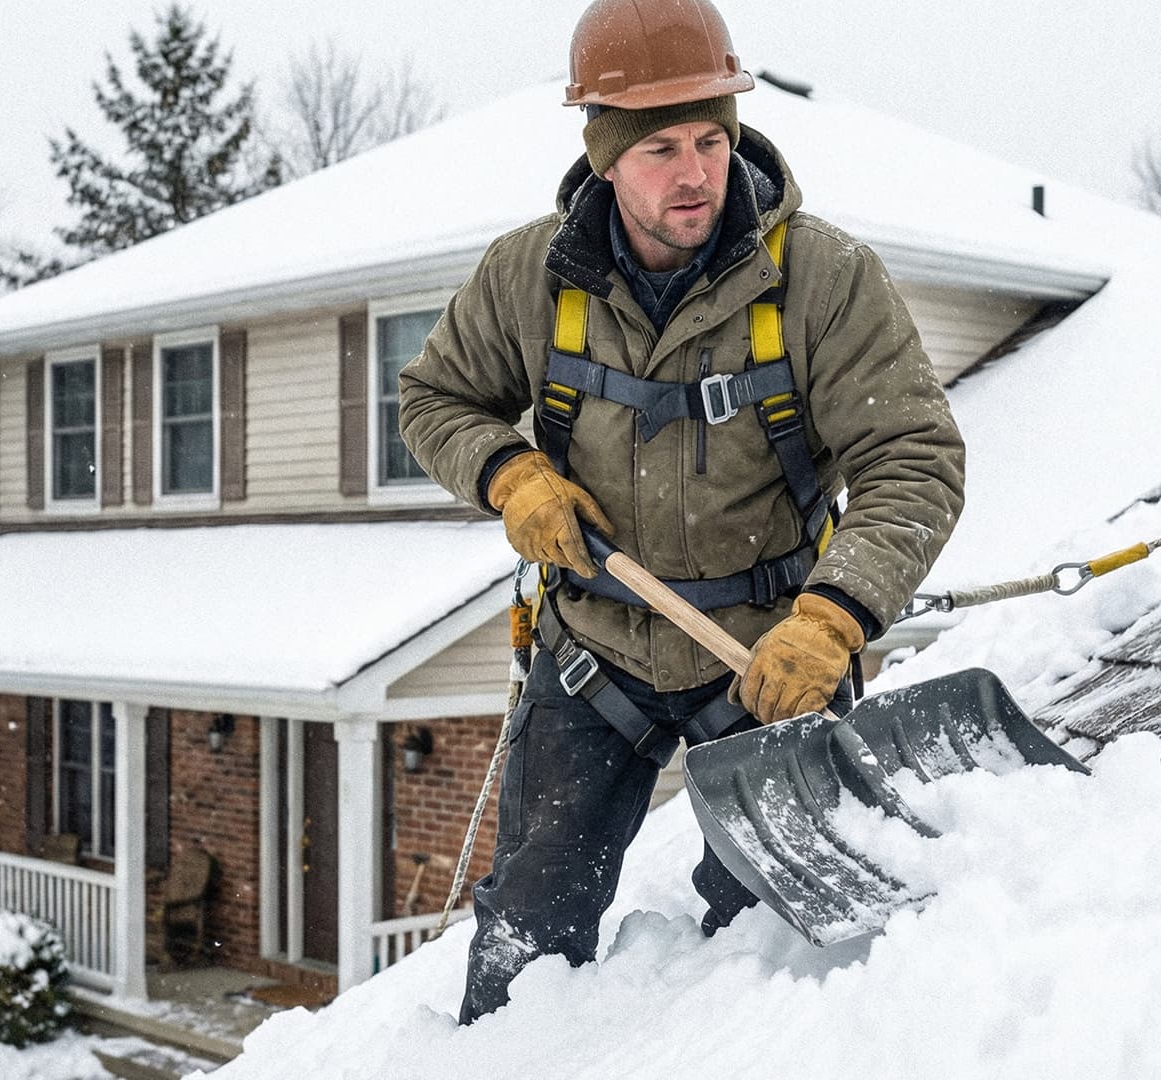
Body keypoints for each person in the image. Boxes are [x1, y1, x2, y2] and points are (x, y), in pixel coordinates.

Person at [397, 0, 965, 1023]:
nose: (694, 173)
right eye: (659, 147)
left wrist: (834, 617)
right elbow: (435, 399)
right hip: (594, 648)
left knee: (769, 943)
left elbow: (913, 458)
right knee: (527, 930)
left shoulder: (821, 282)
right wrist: (506, 474)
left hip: (769, 654)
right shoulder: (531, 279)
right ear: (604, 153)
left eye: (711, 138)